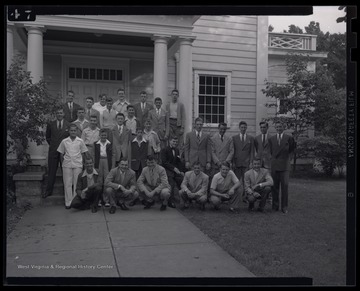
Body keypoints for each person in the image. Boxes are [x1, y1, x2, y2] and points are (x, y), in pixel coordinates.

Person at [57, 123, 88, 209]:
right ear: (69, 131)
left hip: (77, 164)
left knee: (76, 183)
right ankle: (68, 202)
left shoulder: (80, 141)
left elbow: (84, 153)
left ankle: (75, 201)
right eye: (71, 130)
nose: (73, 132)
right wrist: (63, 163)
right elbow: (61, 154)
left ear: (77, 131)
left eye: (74, 130)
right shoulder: (64, 141)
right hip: (67, 164)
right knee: (67, 183)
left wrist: (83, 164)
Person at [268, 121, 296, 214]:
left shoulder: (289, 138)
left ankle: (284, 207)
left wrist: (288, 161)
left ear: (284, 127)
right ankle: (275, 206)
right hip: (275, 166)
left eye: (280, 127)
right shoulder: (271, 139)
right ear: (275, 128)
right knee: (274, 187)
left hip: (284, 166)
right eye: (277, 127)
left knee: (285, 186)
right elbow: (271, 152)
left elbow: (292, 151)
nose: (279, 128)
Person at [43, 107, 70, 198]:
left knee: (66, 172)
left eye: (61, 113)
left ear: (64, 114)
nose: (59, 114)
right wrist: (54, 145)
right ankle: (48, 191)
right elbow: (48, 137)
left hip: (65, 153)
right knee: (51, 172)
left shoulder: (68, 125)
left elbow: (69, 138)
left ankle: (67, 192)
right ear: (56, 114)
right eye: (58, 113)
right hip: (53, 151)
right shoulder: (51, 124)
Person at [232, 121, 255, 203]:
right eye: (242, 127)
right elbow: (232, 151)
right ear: (239, 128)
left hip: (246, 163)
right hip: (237, 162)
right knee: (236, 181)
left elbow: (252, 151)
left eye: (245, 127)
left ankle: (245, 197)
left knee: (246, 181)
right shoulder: (234, 138)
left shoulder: (251, 138)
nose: (243, 129)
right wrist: (233, 162)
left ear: (246, 128)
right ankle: (235, 197)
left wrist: (251, 162)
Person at [161, 136, 185, 208]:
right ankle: (170, 201)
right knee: (171, 183)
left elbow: (178, 161)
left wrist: (181, 171)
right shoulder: (164, 150)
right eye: (173, 141)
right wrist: (174, 168)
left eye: (176, 142)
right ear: (170, 141)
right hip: (167, 170)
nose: (175, 143)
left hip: (176, 170)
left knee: (182, 181)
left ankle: (184, 200)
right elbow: (164, 162)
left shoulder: (177, 150)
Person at [94, 129, 113, 207]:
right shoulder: (96, 144)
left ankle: (106, 200)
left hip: (107, 161)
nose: (103, 136)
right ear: (99, 135)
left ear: (107, 136)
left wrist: (112, 164)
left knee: (106, 180)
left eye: (105, 135)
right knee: (99, 179)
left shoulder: (110, 144)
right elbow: (94, 155)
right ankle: (98, 199)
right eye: (102, 135)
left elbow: (113, 154)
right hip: (99, 161)